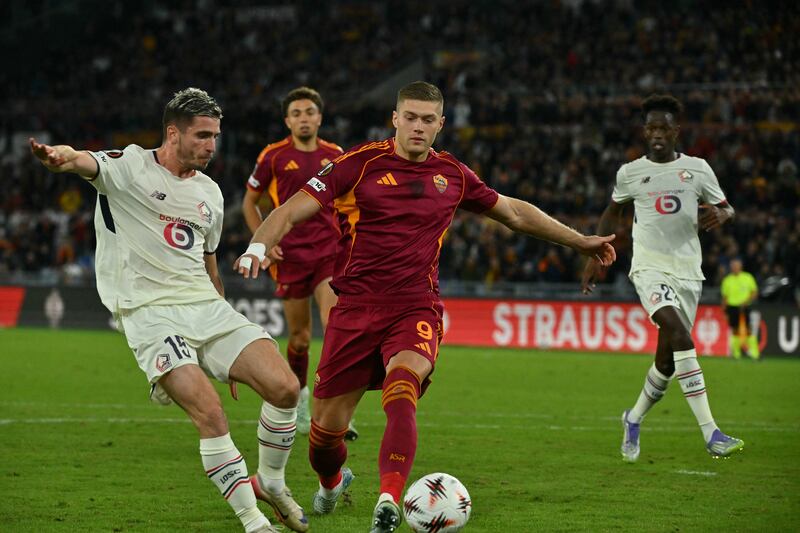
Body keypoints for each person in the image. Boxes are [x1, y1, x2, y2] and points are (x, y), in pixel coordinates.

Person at [235, 81, 617, 532]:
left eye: (428, 119)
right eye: (410, 117)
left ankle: (389, 500)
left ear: (441, 123)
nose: (418, 126)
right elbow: (291, 209)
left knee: (403, 387)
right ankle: (332, 480)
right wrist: (258, 247)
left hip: (415, 305)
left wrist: (580, 241)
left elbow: (513, 212)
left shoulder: (452, 175)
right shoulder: (358, 164)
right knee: (323, 436)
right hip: (354, 309)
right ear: (395, 119)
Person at [29, 88, 308, 533]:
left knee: (285, 388)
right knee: (211, 414)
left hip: (204, 305)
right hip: (147, 312)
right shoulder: (129, 166)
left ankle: (271, 482)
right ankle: (254, 523)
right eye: (201, 135)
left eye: (215, 136)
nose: (211, 146)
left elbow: (208, 261)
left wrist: (223, 335)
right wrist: (59, 157)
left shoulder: (210, 193)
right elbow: (83, 160)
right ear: (172, 133)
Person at [582, 93, 745, 462]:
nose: (657, 133)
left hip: (689, 272)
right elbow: (612, 212)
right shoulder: (631, 172)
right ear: (645, 131)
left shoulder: (698, 169)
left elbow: (726, 206)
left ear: (676, 131)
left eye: (664, 127)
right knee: (680, 333)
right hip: (649, 268)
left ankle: (633, 417)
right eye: (651, 127)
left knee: (668, 362)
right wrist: (596, 252)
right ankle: (711, 432)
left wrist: (725, 215)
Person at [242, 86, 358, 440]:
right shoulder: (273, 156)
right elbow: (250, 202)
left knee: (335, 325)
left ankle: (335, 413)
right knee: (301, 338)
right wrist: (265, 241)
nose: (303, 118)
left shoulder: (335, 154)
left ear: (319, 117)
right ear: (287, 120)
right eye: (296, 113)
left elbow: (348, 201)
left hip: (329, 253)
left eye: (309, 112)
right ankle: (302, 402)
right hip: (290, 257)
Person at [721, 258, 760, 359]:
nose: (735, 268)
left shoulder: (748, 277)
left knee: (748, 329)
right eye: (733, 266)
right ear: (731, 267)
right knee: (734, 330)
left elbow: (754, 292)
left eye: (736, 266)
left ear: (740, 267)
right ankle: (736, 354)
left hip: (745, 306)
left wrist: (747, 301)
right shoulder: (727, 280)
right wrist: (725, 312)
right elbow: (725, 298)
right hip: (732, 307)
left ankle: (755, 353)